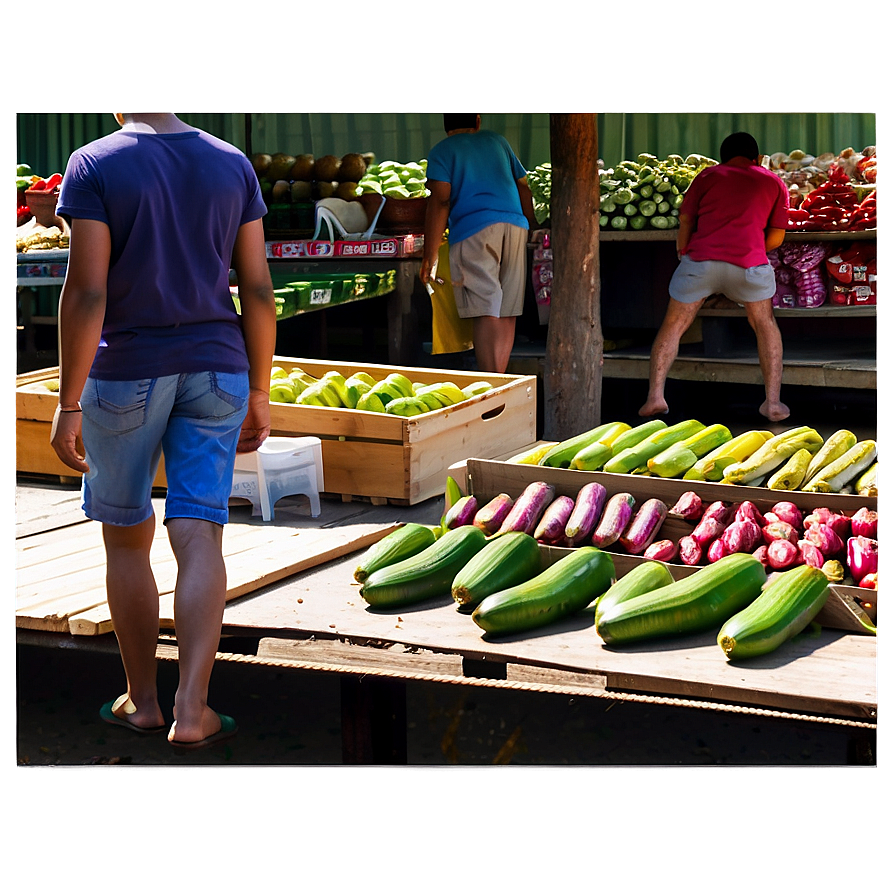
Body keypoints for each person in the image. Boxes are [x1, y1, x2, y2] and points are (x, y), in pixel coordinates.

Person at [50, 112, 277, 751]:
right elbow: (257, 288)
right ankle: (193, 709)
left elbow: (86, 292)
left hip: (126, 372)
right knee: (199, 531)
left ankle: (142, 702)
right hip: (219, 368)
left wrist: (69, 405)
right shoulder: (231, 162)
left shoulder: (94, 163)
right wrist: (260, 389)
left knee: (126, 539)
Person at [638, 131, 791, 422]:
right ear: (756, 158)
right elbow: (776, 237)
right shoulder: (773, 182)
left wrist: (683, 251)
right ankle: (773, 403)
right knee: (764, 324)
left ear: (723, 158)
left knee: (673, 325)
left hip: (701, 263)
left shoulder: (708, 176)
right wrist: (752, 247)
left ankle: (655, 397)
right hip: (749, 266)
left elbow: (686, 220)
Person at [420, 113, 536, 374]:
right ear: (478, 120)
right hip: (516, 226)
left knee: (486, 307)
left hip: (475, 230)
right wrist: (533, 225)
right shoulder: (497, 141)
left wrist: (430, 256)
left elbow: (439, 202)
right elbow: (523, 187)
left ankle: (491, 382)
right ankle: (500, 379)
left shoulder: (442, 150)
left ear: (445, 123)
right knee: (507, 308)